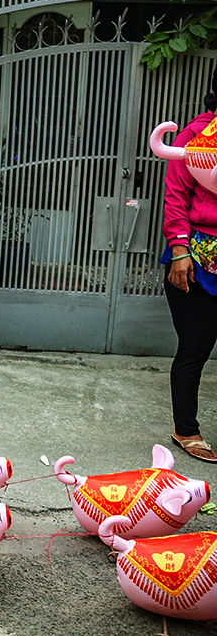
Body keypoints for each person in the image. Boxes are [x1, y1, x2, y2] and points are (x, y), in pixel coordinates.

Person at [162, 67, 217, 462]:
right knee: (195, 346)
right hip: (197, 259)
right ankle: (186, 429)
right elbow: (175, 198)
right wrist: (180, 252)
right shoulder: (196, 137)